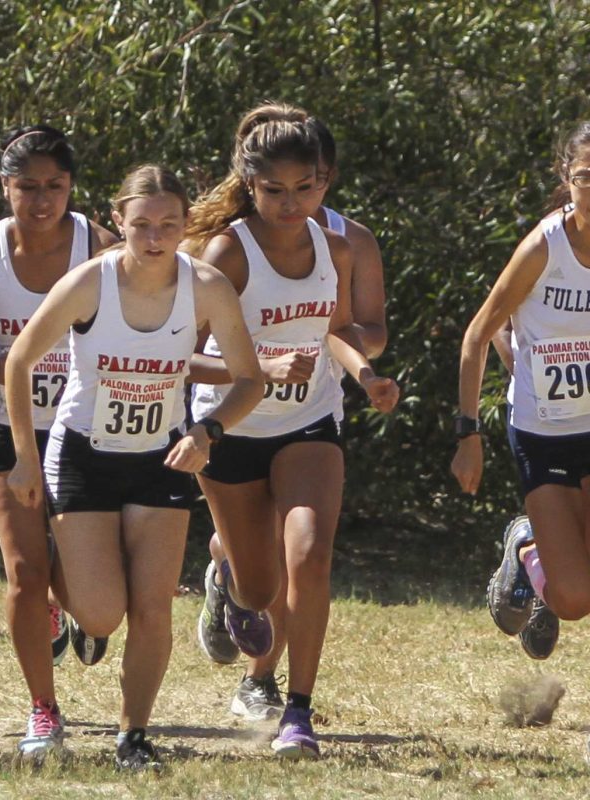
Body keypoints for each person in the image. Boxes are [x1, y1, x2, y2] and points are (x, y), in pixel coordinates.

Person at [5, 164, 263, 770]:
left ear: (184, 227)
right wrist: (23, 457)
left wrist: (209, 430)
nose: (154, 237)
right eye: (141, 224)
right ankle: (74, 599)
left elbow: (249, 379)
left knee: (152, 606)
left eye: (168, 225)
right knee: (102, 612)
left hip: (161, 457)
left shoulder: (206, 286)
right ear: (118, 222)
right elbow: (18, 361)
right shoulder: (89, 283)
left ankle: (133, 735)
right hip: (84, 455)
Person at [185, 104, 400, 758]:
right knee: (261, 587)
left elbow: (332, 330)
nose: (290, 202)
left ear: (325, 182)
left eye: (305, 188)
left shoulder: (337, 247)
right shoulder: (229, 251)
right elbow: (179, 353)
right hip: (230, 425)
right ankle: (229, 580)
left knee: (308, 553)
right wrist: (257, 366)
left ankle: (299, 712)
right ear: (250, 184)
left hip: (310, 423)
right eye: (274, 190)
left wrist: (366, 377)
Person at [0, 124, 116, 760]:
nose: (42, 201)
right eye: (28, 188)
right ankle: (43, 711)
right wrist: (15, 362)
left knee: (86, 587)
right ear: (5, 187)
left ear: (72, 188)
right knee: (25, 568)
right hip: (5, 422)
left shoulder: (99, 248)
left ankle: (76, 608)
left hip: (82, 426)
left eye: (55, 186)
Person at [453, 123, 590, 710]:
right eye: (588, 177)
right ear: (567, 180)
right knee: (574, 598)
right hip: (544, 433)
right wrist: (468, 435)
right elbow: (480, 333)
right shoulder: (545, 247)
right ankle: (527, 545)